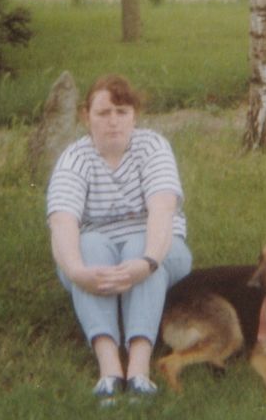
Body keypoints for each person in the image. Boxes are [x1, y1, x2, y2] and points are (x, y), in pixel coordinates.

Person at [46, 74, 192, 405]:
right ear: (86, 117)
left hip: (161, 249)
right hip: (98, 253)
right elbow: (62, 222)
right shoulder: (74, 159)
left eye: (122, 112)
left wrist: (148, 261)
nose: (113, 122)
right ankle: (109, 370)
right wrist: (77, 271)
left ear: (134, 116)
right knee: (90, 245)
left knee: (140, 247)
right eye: (103, 113)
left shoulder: (153, 147)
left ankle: (139, 370)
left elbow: (162, 208)